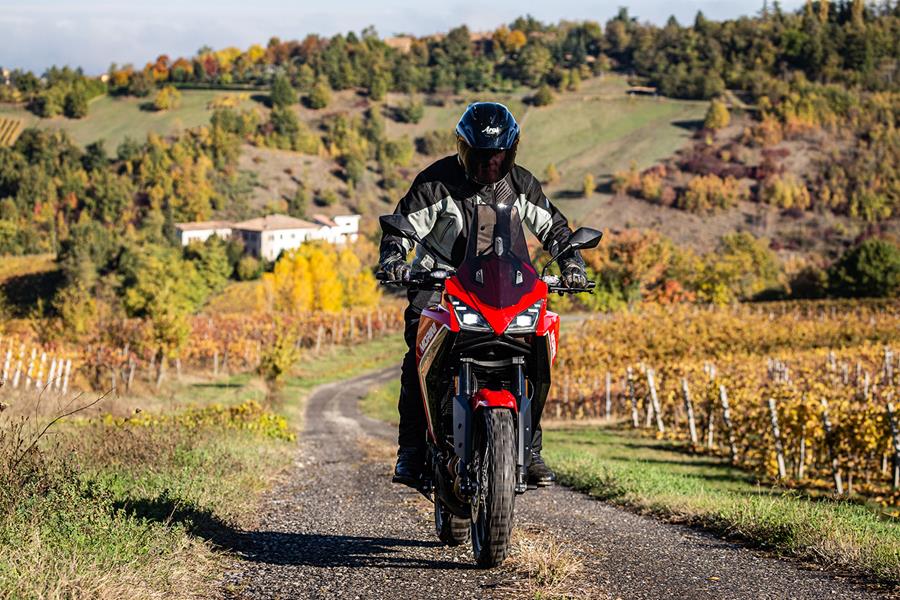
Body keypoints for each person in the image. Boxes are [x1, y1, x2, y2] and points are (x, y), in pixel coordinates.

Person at [379, 101, 587, 489]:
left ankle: (531, 449)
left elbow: (554, 228)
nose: (489, 164)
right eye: (481, 156)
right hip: (439, 285)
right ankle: (410, 450)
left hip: (505, 288)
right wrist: (394, 257)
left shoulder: (521, 184)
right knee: (417, 357)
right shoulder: (435, 183)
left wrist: (571, 263)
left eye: (498, 156)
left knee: (537, 352)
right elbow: (401, 227)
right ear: (463, 150)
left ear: (511, 151)